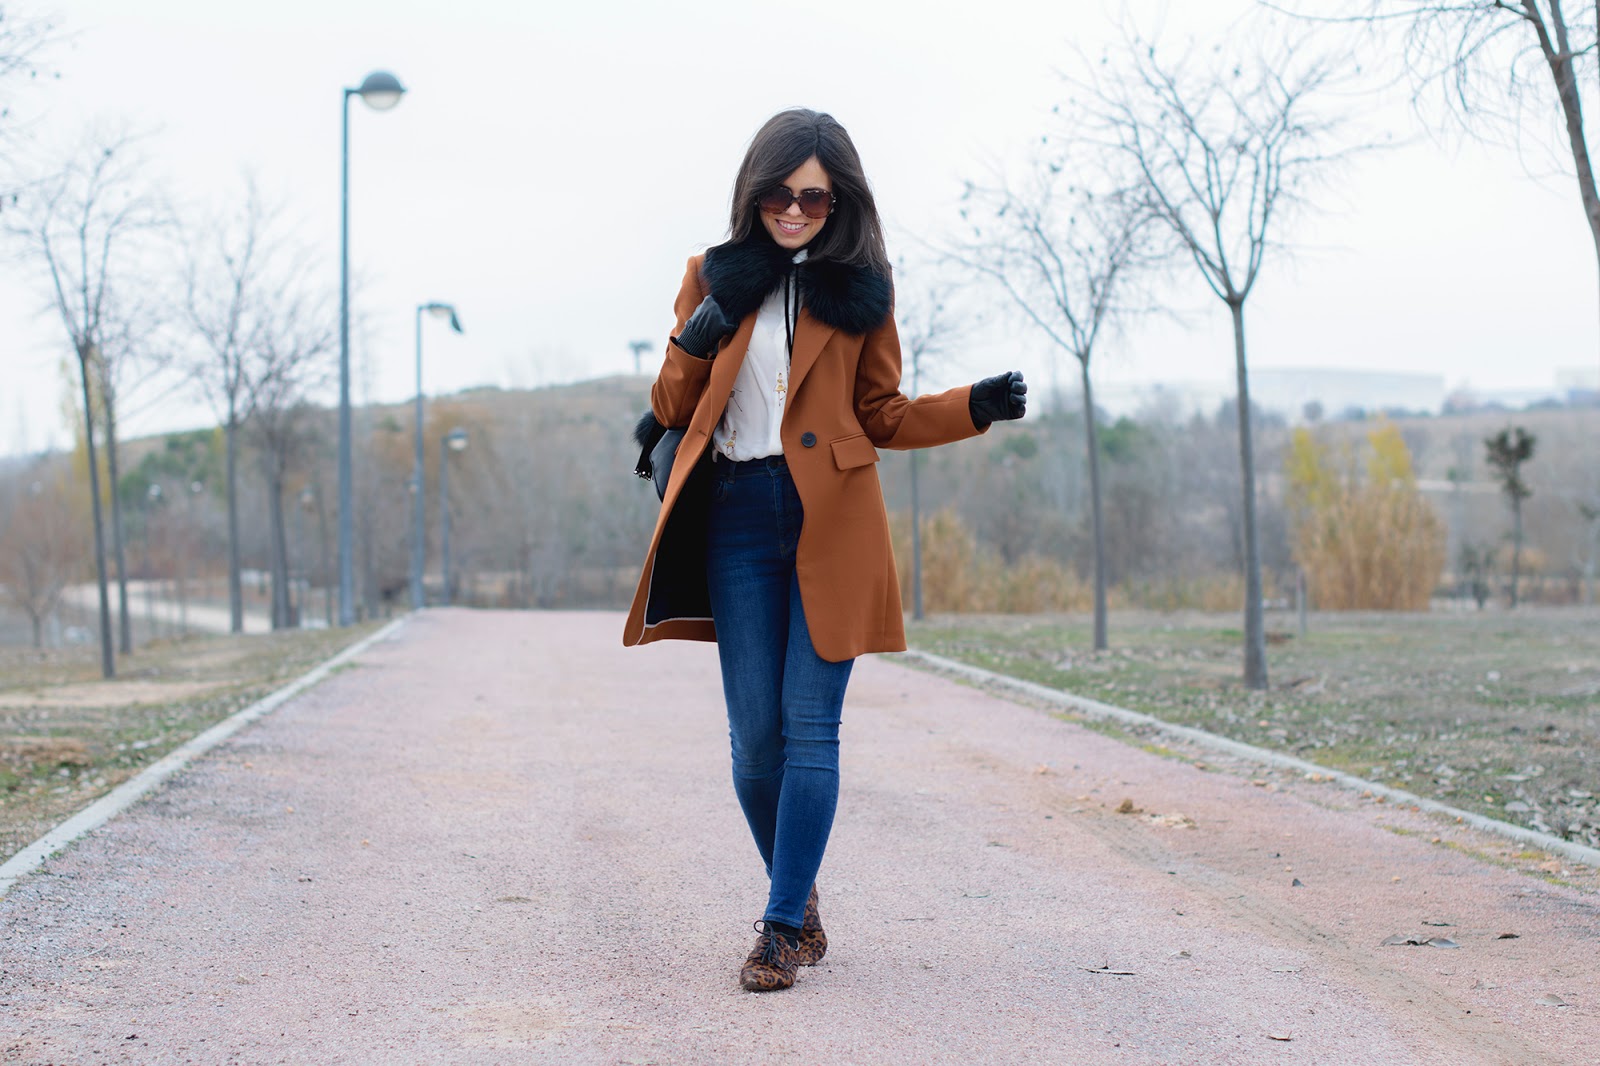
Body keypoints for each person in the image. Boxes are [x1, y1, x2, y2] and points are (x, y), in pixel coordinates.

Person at [622, 108, 1026, 993]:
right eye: (778, 192)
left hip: (831, 518)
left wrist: (975, 405)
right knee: (753, 743)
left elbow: (882, 413)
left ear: (837, 198)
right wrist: (705, 325)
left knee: (811, 730)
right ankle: (800, 901)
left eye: (813, 194)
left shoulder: (861, 285)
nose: (794, 210)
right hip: (734, 512)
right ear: (754, 190)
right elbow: (671, 397)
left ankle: (777, 927)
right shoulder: (710, 274)